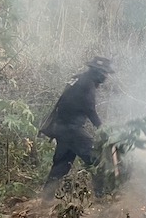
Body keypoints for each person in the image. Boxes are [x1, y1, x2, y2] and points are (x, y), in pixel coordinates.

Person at [40, 56, 113, 196]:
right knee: (97, 160)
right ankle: (101, 198)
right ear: (97, 72)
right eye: (105, 73)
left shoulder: (77, 78)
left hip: (61, 127)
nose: (106, 77)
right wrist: (102, 128)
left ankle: (46, 198)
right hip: (72, 129)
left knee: (61, 164)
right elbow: (90, 109)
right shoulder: (88, 84)